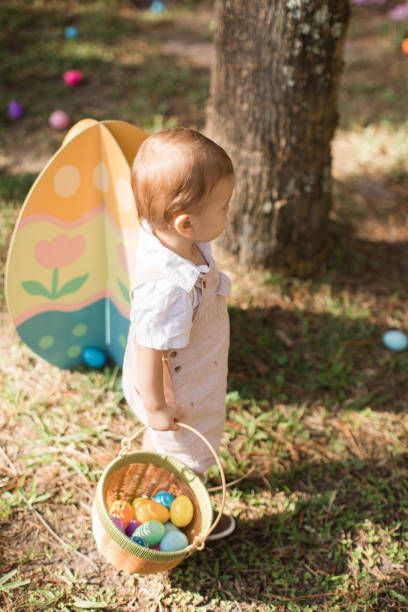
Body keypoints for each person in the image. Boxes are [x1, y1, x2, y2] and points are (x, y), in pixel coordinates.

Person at [122, 127, 235, 539]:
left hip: (196, 364)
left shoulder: (173, 237)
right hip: (178, 392)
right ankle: (183, 504)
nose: (227, 213)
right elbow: (151, 348)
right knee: (187, 448)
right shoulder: (168, 288)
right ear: (185, 223)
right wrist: (156, 406)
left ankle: (167, 472)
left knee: (187, 441)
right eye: (223, 207)